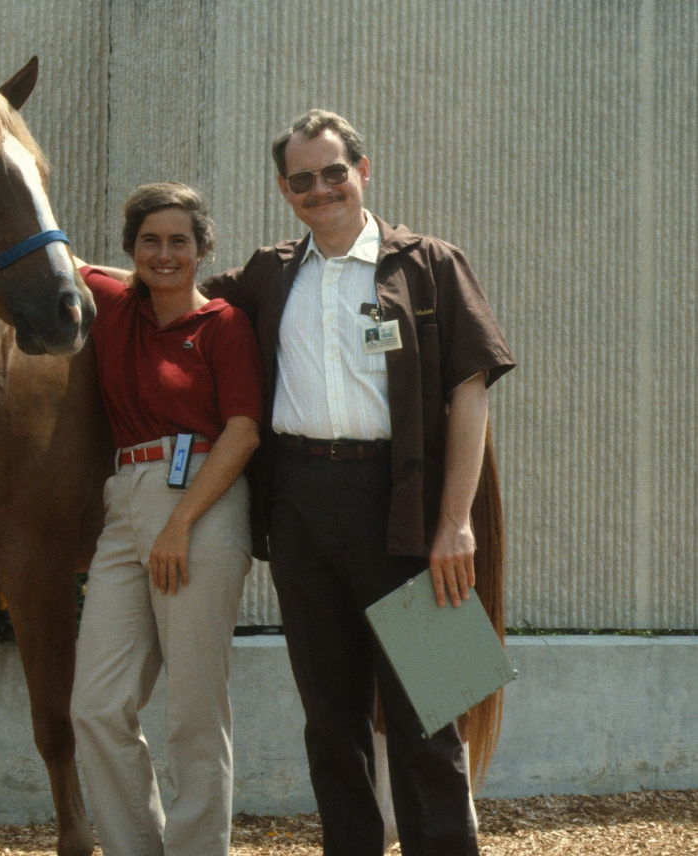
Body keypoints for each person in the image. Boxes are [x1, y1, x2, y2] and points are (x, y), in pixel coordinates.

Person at [199, 110, 516, 855]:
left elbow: (470, 392)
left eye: (334, 171)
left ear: (362, 171)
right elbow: (171, 289)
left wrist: (455, 522)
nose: (321, 189)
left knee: (429, 711)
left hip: (405, 504)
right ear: (285, 189)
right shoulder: (269, 272)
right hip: (302, 503)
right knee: (330, 719)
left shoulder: (430, 262)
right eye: (302, 179)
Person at [69, 182, 264, 856]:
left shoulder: (224, 325)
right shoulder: (116, 307)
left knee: (192, 709)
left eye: (179, 240)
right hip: (123, 501)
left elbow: (242, 431)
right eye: (149, 240)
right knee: (94, 705)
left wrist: (178, 524)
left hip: (202, 504)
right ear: (129, 250)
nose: (164, 253)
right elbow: (42, 255)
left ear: (203, 248)